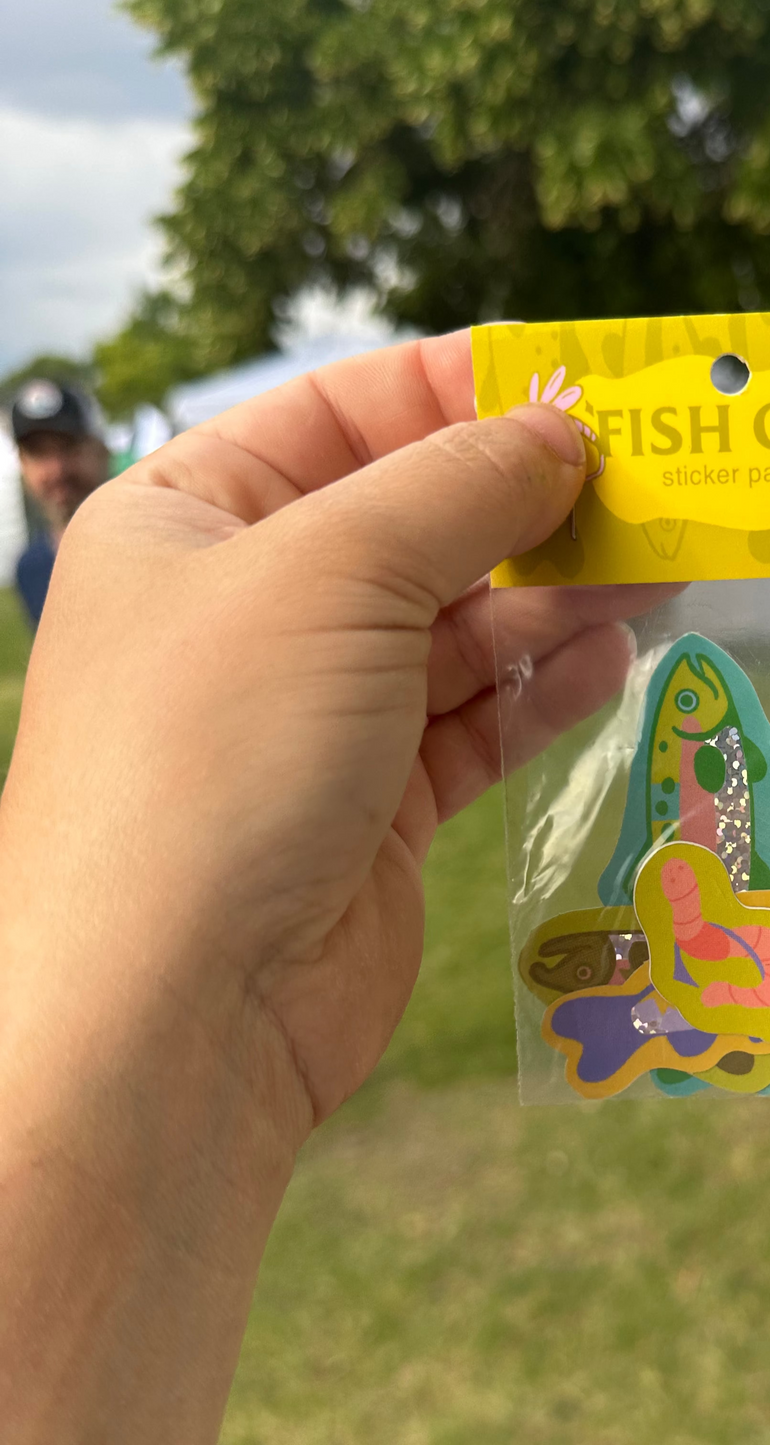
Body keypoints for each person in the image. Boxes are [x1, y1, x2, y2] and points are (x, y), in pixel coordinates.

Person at [0, 333, 682, 1439]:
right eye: (32, 452)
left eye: (62, 441)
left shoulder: (134, 520)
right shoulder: (48, 565)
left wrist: (214, 1016)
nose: (50, 466)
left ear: (92, 438)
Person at [8, 378, 111, 627]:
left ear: (100, 448)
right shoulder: (30, 568)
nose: (56, 470)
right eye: (38, 453)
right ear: (22, 463)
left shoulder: (152, 538)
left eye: (68, 446)